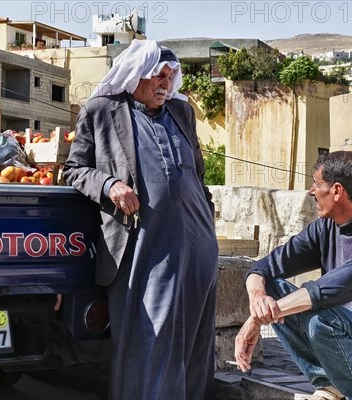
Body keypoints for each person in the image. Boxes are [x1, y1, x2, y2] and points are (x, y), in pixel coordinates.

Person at [63, 39, 218, 400]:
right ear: (135, 76)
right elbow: (74, 170)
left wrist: (207, 217)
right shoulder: (102, 110)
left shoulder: (182, 112)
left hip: (197, 243)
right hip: (144, 244)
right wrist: (110, 184)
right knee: (151, 337)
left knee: (195, 341)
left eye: (170, 76)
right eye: (158, 77)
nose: (166, 83)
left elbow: (196, 172)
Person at [234, 150, 352, 400]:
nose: (311, 191)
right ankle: (331, 385)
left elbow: (330, 289)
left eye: (317, 183)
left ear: (337, 191)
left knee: (321, 315)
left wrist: (257, 320)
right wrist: (258, 298)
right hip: (344, 344)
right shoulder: (324, 229)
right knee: (272, 288)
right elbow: (263, 267)